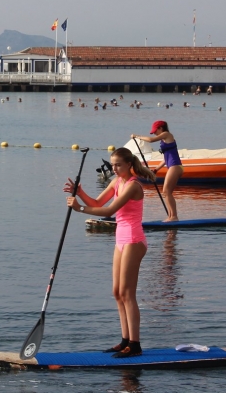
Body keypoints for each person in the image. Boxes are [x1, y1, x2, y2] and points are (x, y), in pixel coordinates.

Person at [65, 147, 155, 358]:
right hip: (120, 240)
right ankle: (125, 340)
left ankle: (135, 345)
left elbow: (108, 212)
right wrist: (81, 193)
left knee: (127, 293)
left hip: (134, 239)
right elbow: (97, 203)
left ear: (128, 165)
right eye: (112, 164)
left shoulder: (133, 186)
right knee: (116, 292)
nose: (113, 168)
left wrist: (79, 208)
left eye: (118, 165)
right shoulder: (117, 182)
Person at [132, 121, 183, 222]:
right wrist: (155, 170)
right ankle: (171, 216)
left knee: (166, 191)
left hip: (175, 166)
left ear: (161, 128)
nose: (155, 133)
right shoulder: (164, 141)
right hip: (173, 166)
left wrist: (137, 136)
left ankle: (174, 217)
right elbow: (165, 159)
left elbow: (150, 140)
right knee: (167, 193)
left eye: (155, 131)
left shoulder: (167, 134)